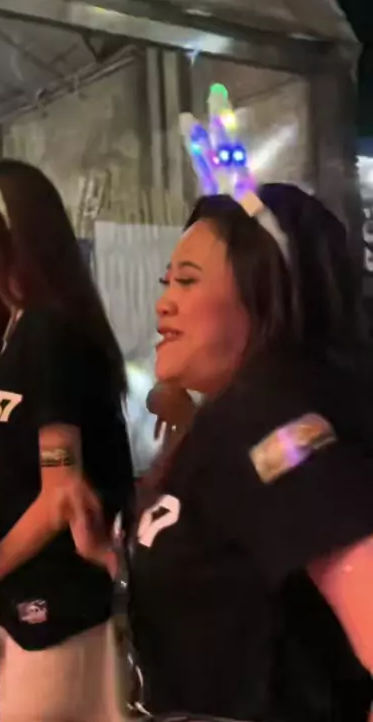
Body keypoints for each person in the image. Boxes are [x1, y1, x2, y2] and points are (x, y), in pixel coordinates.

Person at [128, 185, 373, 721]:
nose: (164, 302)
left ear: (266, 292)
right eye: (167, 282)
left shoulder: (270, 419)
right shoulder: (229, 420)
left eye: (188, 280)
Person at [0, 160, 133, 722]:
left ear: (7, 233)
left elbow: (60, 495)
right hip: (31, 599)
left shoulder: (50, 331)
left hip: (66, 603)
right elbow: (15, 440)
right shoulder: (13, 329)